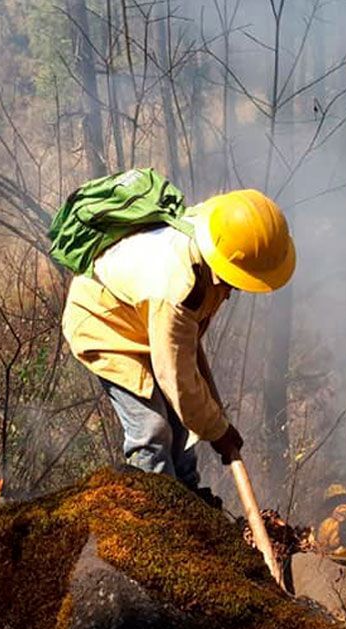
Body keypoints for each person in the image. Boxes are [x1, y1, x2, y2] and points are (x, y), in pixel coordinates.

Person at [61, 188, 295, 496]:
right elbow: (177, 379)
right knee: (153, 430)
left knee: (181, 429)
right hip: (104, 324)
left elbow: (181, 365)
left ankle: (190, 499)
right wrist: (218, 431)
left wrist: (212, 423)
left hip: (145, 320)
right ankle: (160, 511)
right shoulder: (176, 287)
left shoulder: (212, 235)